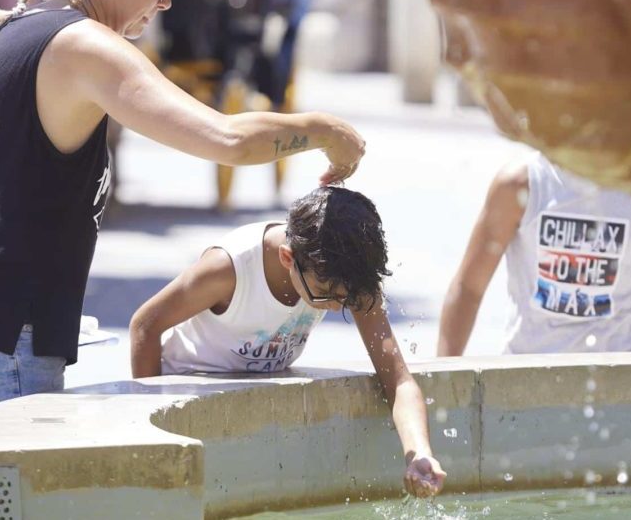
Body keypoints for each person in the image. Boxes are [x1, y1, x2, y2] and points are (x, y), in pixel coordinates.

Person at [0, 0, 365, 430]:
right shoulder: (83, 44)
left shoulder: (7, 31)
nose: (167, 3)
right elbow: (228, 139)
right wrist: (324, 130)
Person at [129, 187, 446, 498]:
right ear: (287, 257)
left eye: (346, 299)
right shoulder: (227, 270)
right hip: (189, 387)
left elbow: (399, 380)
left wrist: (418, 454)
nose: (337, 306)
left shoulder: (346, 275)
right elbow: (145, 326)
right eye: (327, 294)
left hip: (252, 408)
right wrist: (155, 436)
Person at [437, 153, 631, 356]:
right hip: (528, 373)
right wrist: (443, 381)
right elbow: (469, 287)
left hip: (622, 368)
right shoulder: (521, 184)